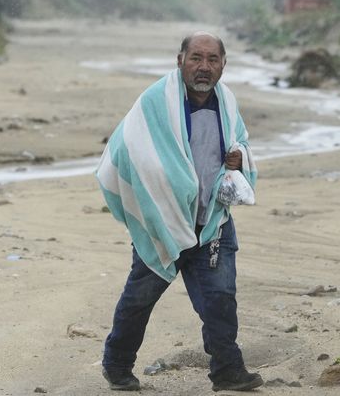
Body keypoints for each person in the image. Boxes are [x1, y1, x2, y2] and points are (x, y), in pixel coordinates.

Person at [96, 31, 262, 392]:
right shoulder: (156, 101)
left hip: (211, 222)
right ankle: (117, 365)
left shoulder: (227, 103)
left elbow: (241, 144)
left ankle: (227, 371)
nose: (204, 67)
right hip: (164, 222)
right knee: (139, 300)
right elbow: (125, 149)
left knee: (220, 299)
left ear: (223, 64)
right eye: (196, 58)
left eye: (212, 59)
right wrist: (162, 189)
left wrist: (239, 158)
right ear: (180, 60)